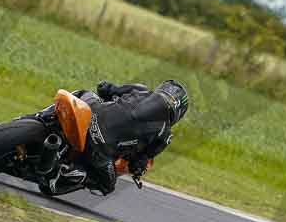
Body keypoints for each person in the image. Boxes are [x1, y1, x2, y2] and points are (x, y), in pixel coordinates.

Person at [40, 80, 189, 196]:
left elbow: (105, 88)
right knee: (107, 185)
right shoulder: (165, 134)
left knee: (83, 94)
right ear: (179, 112)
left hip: (90, 115)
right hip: (101, 148)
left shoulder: (140, 89)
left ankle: (44, 116)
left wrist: (108, 92)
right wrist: (137, 169)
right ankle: (68, 173)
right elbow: (141, 160)